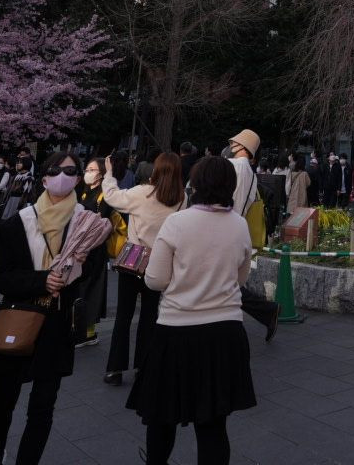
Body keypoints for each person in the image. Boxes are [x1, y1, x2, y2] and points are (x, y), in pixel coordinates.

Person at [127, 156, 256, 464]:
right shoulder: (239, 225)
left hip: (177, 330)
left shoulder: (177, 222)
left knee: (162, 417)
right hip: (225, 331)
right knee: (213, 424)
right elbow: (240, 278)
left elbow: (156, 280)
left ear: (195, 184)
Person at [0, 152, 104, 465]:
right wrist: (42, 280)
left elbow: (93, 270)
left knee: (43, 405)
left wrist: (80, 266)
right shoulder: (18, 222)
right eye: (56, 170)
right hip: (18, 317)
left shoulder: (87, 223)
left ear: (78, 178)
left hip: (57, 323)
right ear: (45, 177)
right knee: (2, 400)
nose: (63, 176)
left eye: (70, 171)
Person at [102, 151, 186, 385]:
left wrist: (109, 174)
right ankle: (144, 365)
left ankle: (115, 369)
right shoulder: (181, 199)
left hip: (134, 259)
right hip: (159, 262)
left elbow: (111, 196)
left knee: (123, 315)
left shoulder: (141, 193)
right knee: (150, 315)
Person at [225, 130, 280, 340]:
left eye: (235, 142)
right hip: (238, 227)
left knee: (225, 283)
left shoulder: (234, 166)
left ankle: (267, 312)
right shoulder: (249, 171)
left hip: (225, 226)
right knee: (227, 283)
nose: (231, 144)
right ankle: (267, 312)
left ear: (244, 146)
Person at [76, 156, 117, 348]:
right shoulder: (85, 192)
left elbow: (102, 221)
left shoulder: (105, 195)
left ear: (101, 174)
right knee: (81, 289)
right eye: (87, 169)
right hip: (81, 247)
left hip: (96, 249)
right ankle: (79, 329)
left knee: (92, 290)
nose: (88, 173)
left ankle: (88, 333)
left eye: (92, 170)